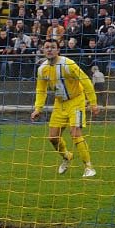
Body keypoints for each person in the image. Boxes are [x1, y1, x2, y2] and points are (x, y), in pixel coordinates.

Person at [30, 39, 100, 177]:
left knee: (75, 134)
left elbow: (85, 81)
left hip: (76, 101)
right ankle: (67, 156)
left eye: (53, 47)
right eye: (47, 47)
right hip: (59, 104)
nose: (49, 50)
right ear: (43, 50)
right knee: (52, 138)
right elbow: (41, 90)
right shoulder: (42, 69)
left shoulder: (68, 64)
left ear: (58, 50)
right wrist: (38, 108)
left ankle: (89, 167)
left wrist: (93, 103)